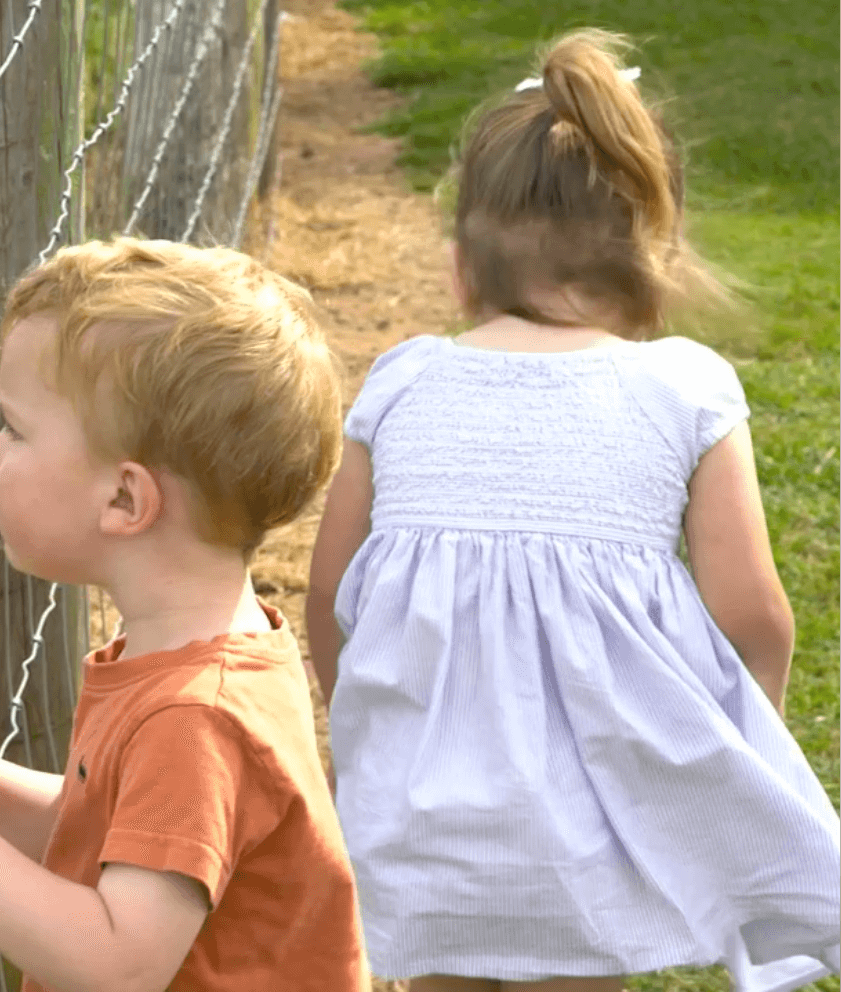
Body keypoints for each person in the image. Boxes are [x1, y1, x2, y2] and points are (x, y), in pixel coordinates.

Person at [304, 27, 841, 992]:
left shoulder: (402, 382)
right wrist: (739, 749)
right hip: (595, 819)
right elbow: (755, 614)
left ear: (459, 268)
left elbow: (332, 592)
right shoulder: (686, 391)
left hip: (422, 814)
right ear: (655, 261)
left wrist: (361, 740)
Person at [0, 237, 370, 991]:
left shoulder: (195, 717)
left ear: (124, 500)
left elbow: (116, 964)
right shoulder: (194, 649)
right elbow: (105, 833)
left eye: (16, 431)